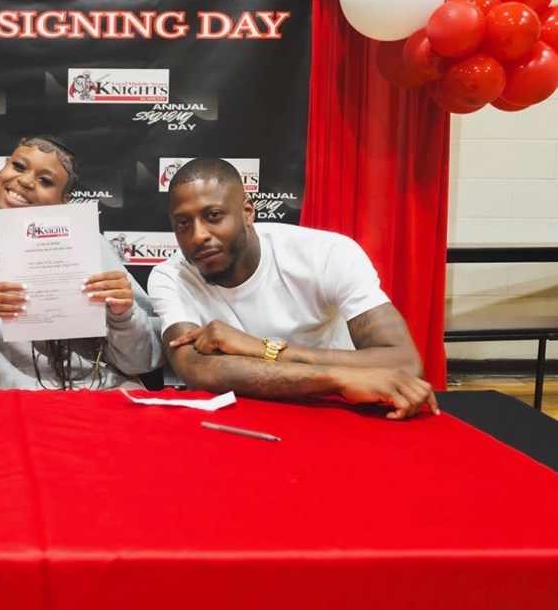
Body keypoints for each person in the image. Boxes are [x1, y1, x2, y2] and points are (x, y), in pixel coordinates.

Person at [147, 158, 438, 420]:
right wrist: (338, 378)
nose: (198, 236)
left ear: (247, 212)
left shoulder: (326, 254)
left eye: (213, 216)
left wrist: (259, 348)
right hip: (248, 416)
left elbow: (404, 362)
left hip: (339, 411)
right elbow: (197, 369)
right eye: (183, 223)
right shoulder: (170, 277)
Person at [0, 135, 163, 389]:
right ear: (2, 168)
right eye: (18, 166)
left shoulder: (91, 246)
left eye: (45, 180)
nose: (25, 181)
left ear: (64, 201)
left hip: (102, 394)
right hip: (8, 405)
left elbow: (141, 362)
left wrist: (123, 315)